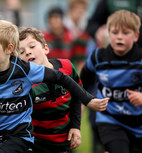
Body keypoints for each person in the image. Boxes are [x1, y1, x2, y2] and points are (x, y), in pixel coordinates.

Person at [0, 19, 109, 153]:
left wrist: (88, 101)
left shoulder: (25, 70)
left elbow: (61, 78)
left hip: (20, 138)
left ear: (9, 49)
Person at [80, 10, 142, 153]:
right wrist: (81, 101)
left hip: (138, 124)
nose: (119, 37)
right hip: (110, 121)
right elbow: (81, 81)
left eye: (125, 33)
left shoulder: (140, 59)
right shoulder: (98, 57)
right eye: (115, 32)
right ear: (108, 33)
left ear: (136, 36)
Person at [18, 27, 82, 153]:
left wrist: (76, 127)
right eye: (21, 52)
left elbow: (77, 96)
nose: (27, 52)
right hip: (34, 144)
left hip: (64, 142)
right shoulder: (24, 85)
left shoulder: (67, 67)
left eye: (32, 46)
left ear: (45, 48)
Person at [44, 6, 89, 73]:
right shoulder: (43, 39)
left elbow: (79, 63)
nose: (54, 21)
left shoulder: (73, 38)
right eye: (51, 18)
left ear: (63, 20)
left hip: (67, 74)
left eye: (57, 17)